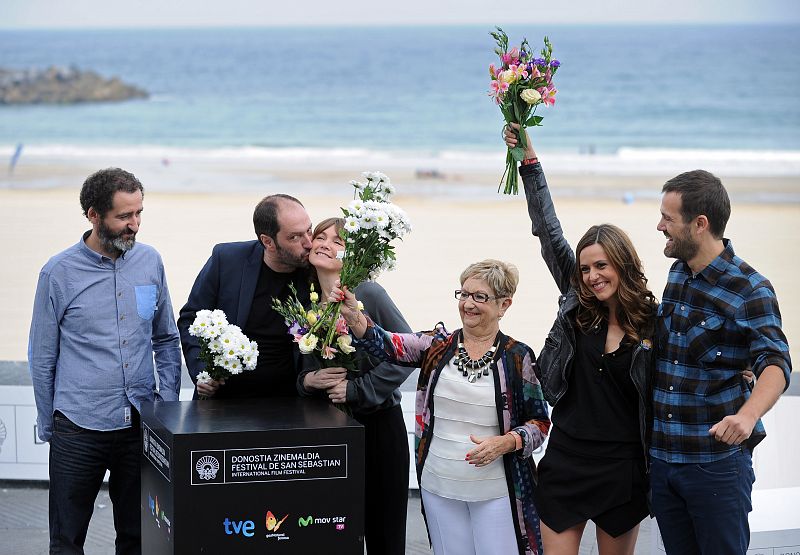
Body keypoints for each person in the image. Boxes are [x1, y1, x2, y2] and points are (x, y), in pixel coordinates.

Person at [506, 124, 657, 554]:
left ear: (623, 265)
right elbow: (548, 230)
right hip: (568, 458)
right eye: (586, 268)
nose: (592, 276)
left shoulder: (653, 323)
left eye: (601, 266)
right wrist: (528, 160)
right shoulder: (577, 303)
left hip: (624, 467)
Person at [337, 259, 550, 555]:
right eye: (463, 294)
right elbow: (388, 344)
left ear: (504, 305)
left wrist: (506, 442)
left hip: (496, 492)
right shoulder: (436, 345)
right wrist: (355, 315)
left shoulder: (517, 357)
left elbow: (539, 423)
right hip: (439, 487)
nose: (468, 304)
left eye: (480, 297)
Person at [28, 168, 182, 554]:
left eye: (139, 214)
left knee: (139, 536)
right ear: (93, 215)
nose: (135, 225)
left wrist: (165, 406)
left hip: (139, 425)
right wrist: (51, 424)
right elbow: (42, 356)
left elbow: (166, 338)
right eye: (124, 216)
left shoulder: (150, 261)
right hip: (78, 427)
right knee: (66, 540)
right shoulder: (58, 273)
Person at [651, 169, 791, 554]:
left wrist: (747, 417)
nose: (659, 225)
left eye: (667, 218)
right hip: (663, 463)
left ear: (700, 224)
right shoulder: (677, 273)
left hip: (715, 466)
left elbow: (776, 362)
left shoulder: (751, 289)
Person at [297, 217, 413, 555]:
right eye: (320, 237)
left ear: (354, 255)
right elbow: (301, 372)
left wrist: (358, 389)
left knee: (384, 536)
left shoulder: (368, 293)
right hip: (328, 432)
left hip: (378, 429)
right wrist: (307, 381)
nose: (325, 244)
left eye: (338, 241)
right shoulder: (306, 303)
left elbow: (404, 354)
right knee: (334, 533)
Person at [178, 194, 312, 399]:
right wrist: (202, 372)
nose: (309, 243)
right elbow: (191, 317)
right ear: (268, 242)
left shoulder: (314, 270)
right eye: (295, 237)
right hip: (224, 398)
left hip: (291, 400)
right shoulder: (227, 259)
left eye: (309, 230)